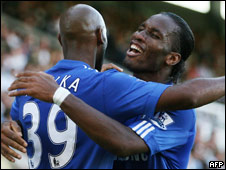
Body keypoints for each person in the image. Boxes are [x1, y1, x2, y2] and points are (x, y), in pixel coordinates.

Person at [2, 4, 225, 169]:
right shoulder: (110, 86)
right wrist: (12, 126)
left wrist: (61, 94)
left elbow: (124, 142)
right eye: (141, 29)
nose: (138, 36)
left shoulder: (178, 111)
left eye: (153, 35)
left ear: (172, 58)